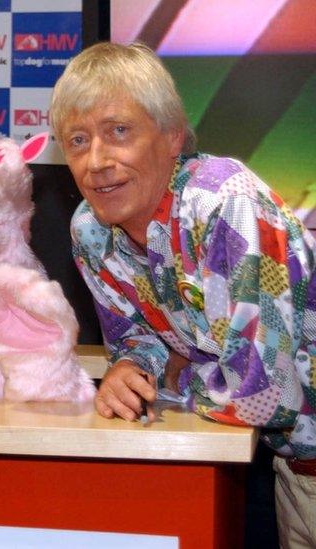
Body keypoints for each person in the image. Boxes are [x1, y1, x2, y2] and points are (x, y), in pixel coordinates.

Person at [51, 42, 316, 548]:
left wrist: (176, 372)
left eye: (118, 132)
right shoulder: (90, 229)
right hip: (293, 472)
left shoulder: (223, 201)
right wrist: (129, 370)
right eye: (77, 141)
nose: (97, 161)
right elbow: (135, 342)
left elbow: (261, 397)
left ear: (173, 136)